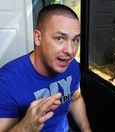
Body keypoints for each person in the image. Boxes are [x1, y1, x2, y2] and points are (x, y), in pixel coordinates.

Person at [0, 4, 92, 132]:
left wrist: (86, 129)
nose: (70, 51)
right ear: (38, 37)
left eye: (75, 40)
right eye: (60, 38)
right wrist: (25, 128)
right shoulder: (6, 82)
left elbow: (75, 99)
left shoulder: (72, 66)